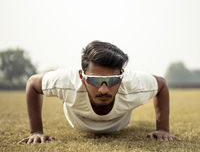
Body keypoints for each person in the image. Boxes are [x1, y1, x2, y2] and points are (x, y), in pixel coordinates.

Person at [19, 40, 180, 144]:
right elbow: (33, 84)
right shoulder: (67, 81)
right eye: (95, 80)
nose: (104, 89)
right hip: (76, 120)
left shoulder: (134, 83)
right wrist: (36, 131)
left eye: (112, 80)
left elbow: (162, 85)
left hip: (120, 123)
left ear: (122, 77)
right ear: (82, 77)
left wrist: (163, 129)